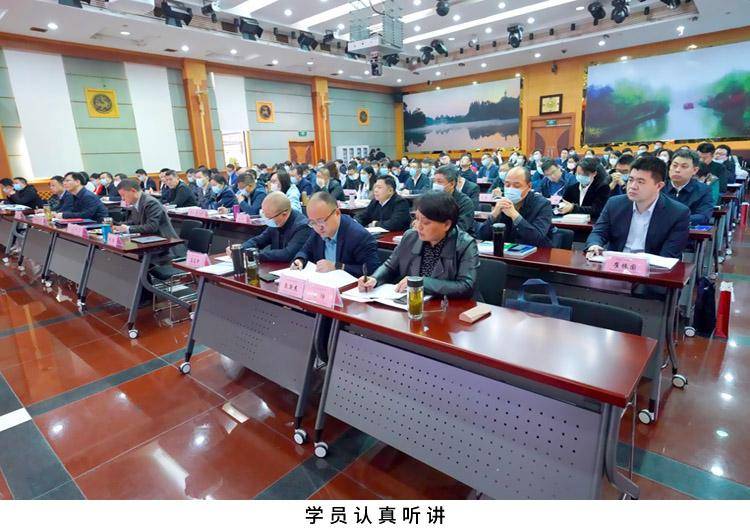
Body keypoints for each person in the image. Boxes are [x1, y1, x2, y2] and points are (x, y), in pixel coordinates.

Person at [358, 191, 479, 299]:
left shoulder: (465, 244)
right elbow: (390, 267)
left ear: (446, 224)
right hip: (413, 303)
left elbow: (466, 286)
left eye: (425, 222)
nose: (418, 226)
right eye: (416, 219)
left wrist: (420, 282)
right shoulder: (410, 236)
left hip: (450, 307)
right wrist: (374, 279)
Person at [585, 156, 689, 259]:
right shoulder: (615, 203)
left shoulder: (678, 213)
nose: (632, 186)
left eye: (640, 182)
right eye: (630, 180)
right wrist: (594, 245)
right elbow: (599, 232)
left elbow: (668, 255)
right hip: (616, 263)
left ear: (659, 186)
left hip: (652, 266)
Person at [292, 192, 380, 276]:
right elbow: (305, 250)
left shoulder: (358, 236)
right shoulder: (317, 230)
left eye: (321, 221)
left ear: (337, 213)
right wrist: (300, 260)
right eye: (313, 222)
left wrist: (338, 266)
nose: (318, 227)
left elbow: (371, 270)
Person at [477, 166, 553, 248]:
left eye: (516, 186)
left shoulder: (543, 205)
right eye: (507, 185)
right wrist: (493, 215)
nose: (511, 189)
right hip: (506, 251)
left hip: (536, 253)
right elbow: (481, 236)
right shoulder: (503, 204)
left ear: (529, 186)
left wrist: (515, 216)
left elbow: (537, 238)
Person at [227, 192, 312, 262]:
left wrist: (254, 255)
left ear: (284, 214)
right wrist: (241, 248)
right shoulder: (275, 221)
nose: (267, 220)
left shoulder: (303, 227)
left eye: (269, 218)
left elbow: (288, 254)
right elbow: (258, 241)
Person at [113, 178, 182, 261]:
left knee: (130, 257)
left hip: (164, 245)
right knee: (123, 253)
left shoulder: (150, 202)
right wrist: (119, 226)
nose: (122, 199)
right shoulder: (137, 202)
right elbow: (135, 222)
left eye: (123, 195)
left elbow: (152, 227)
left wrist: (128, 229)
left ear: (133, 191)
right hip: (148, 241)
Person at [663, 150, 714, 226]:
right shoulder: (659, 187)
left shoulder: (703, 190)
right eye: (674, 165)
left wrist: (676, 220)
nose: (677, 170)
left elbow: (704, 216)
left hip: (688, 230)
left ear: (695, 170)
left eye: (684, 166)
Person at [432, 164, 475, 235]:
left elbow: (461, 227)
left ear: (452, 184)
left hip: (458, 238)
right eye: (434, 181)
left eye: (439, 182)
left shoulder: (465, 202)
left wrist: (435, 229)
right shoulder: (430, 199)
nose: (435, 185)